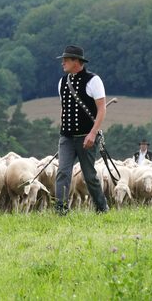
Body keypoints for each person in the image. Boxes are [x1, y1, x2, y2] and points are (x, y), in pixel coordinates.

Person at [54, 45, 109, 215]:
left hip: (87, 137)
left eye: (66, 59)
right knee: (62, 172)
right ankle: (61, 209)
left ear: (76, 61)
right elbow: (64, 108)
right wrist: (63, 131)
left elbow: (102, 109)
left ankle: (102, 208)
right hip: (67, 138)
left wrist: (93, 133)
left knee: (89, 176)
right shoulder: (63, 82)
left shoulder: (94, 80)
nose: (62, 62)